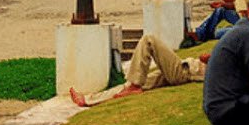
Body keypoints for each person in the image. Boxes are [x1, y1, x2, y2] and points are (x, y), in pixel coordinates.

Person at [70, 34, 208, 107]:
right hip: (186, 68)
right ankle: (89, 100)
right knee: (131, 85)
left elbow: (207, 59)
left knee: (149, 40)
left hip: (185, 72)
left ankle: (135, 85)